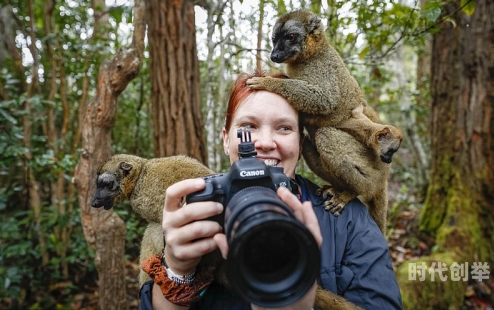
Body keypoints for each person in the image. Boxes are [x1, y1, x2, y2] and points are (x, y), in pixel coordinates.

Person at [138, 70, 403, 310]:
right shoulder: (199, 213)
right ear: (226, 139)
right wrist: (177, 271)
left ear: (301, 144)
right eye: (247, 128)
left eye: (284, 128)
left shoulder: (348, 220)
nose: (264, 143)